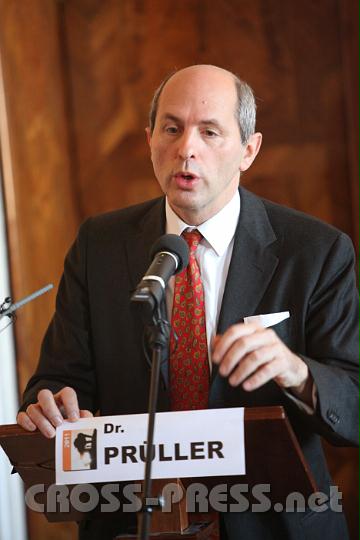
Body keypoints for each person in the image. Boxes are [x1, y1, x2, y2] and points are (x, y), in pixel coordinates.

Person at [17, 65, 360, 540]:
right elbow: (58, 380)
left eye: (210, 131)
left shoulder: (317, 250)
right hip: (133, 520)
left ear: (249, 150)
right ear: (149, 140)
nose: (186, 148)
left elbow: (355, 404)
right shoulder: (99, 244)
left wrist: (297, 373)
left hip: (271, 521)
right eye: (172, 129)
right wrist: (51, 405)